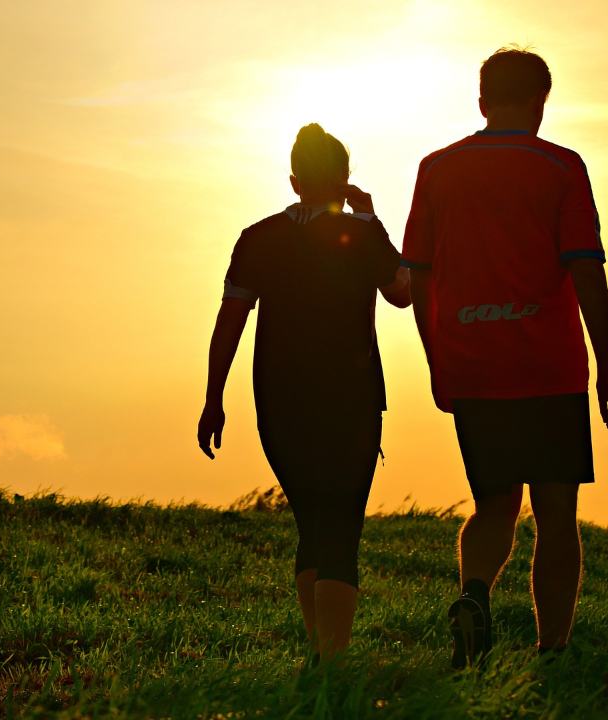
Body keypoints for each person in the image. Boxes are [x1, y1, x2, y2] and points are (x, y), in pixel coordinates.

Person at [401, 48, 608, 668]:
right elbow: (586, 272)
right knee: (556, 512)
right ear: (541, 102)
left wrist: (436, 359)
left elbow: (417, 278)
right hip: (548, 369)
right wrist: (607, 365)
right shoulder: (561, 169)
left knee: (494, 503)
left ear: (482, 100)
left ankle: (475, 594)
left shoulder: (436, 170)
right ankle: (552, 649)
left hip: (472, 364)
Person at [197, 124, 411, 662]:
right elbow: (403, 293)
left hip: (277, 397)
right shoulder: (362, 235)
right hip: (352, 396)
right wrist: (372, 219)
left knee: (312, 521)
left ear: (294, 182)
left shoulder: (258, 237)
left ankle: (321, 655)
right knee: (342, 523)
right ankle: (331, 665)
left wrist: (213, 398)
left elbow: (230, 320)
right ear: (345, 180)